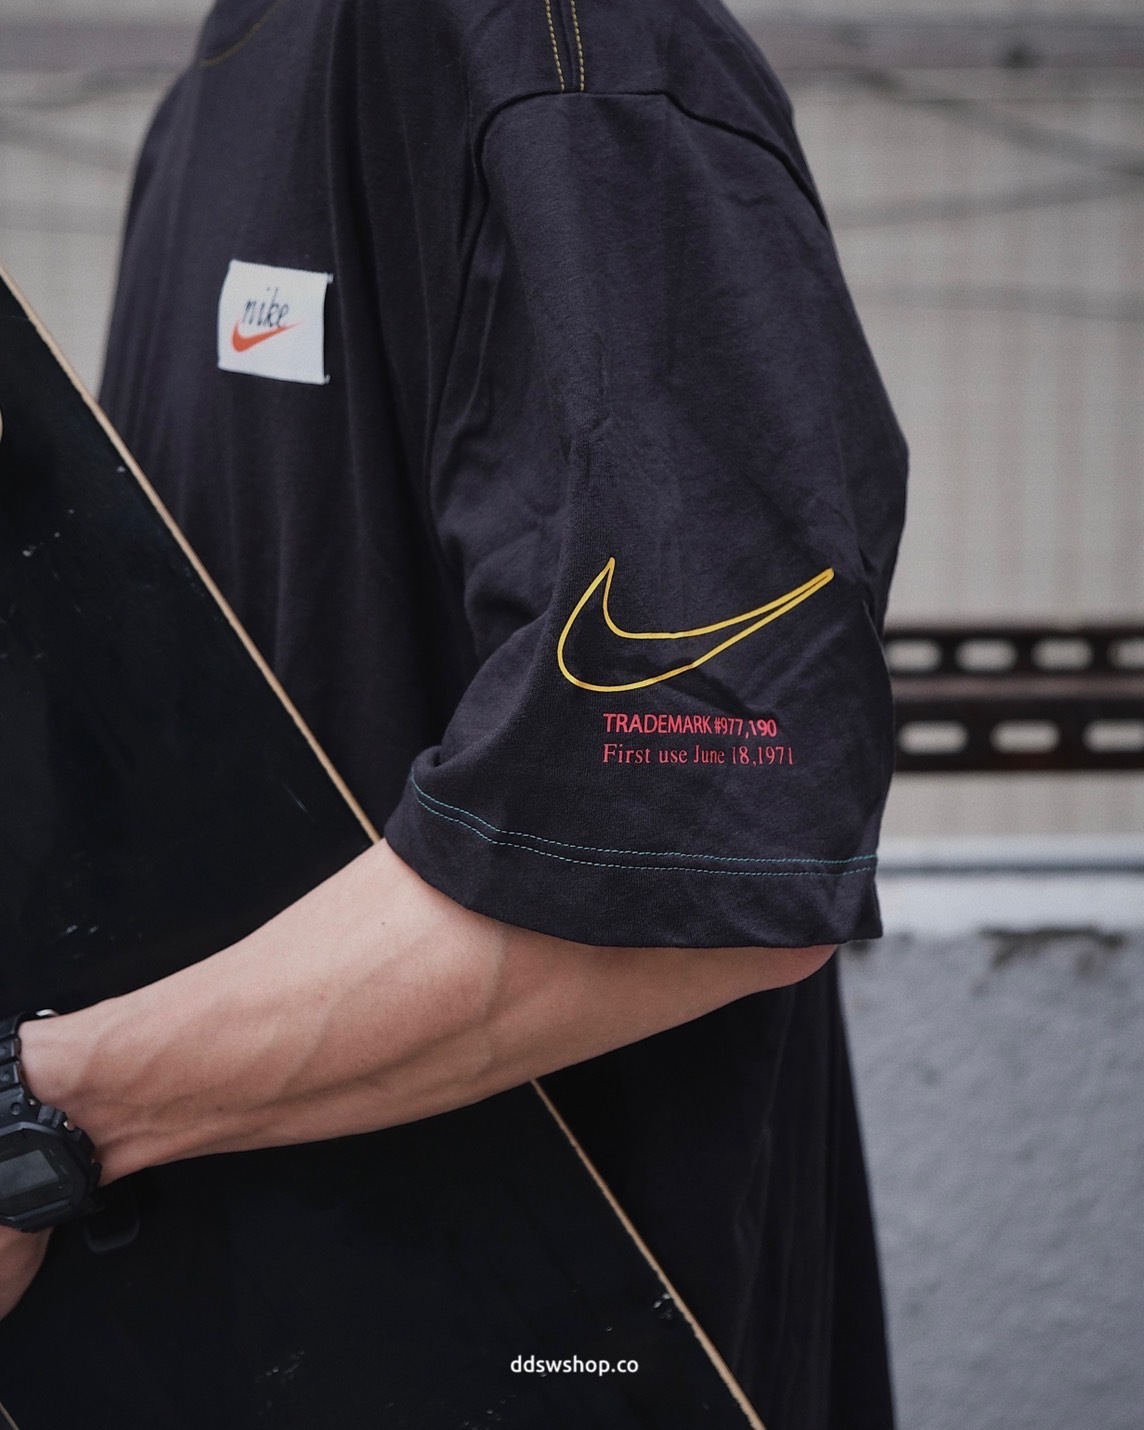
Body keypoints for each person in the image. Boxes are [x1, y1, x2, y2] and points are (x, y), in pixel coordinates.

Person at [0, 1, 906, 1424]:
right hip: (264, 1332)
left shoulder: (559, 51)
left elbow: (705, 851)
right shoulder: (218, 86)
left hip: (556, 1351)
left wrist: (46, 1112)